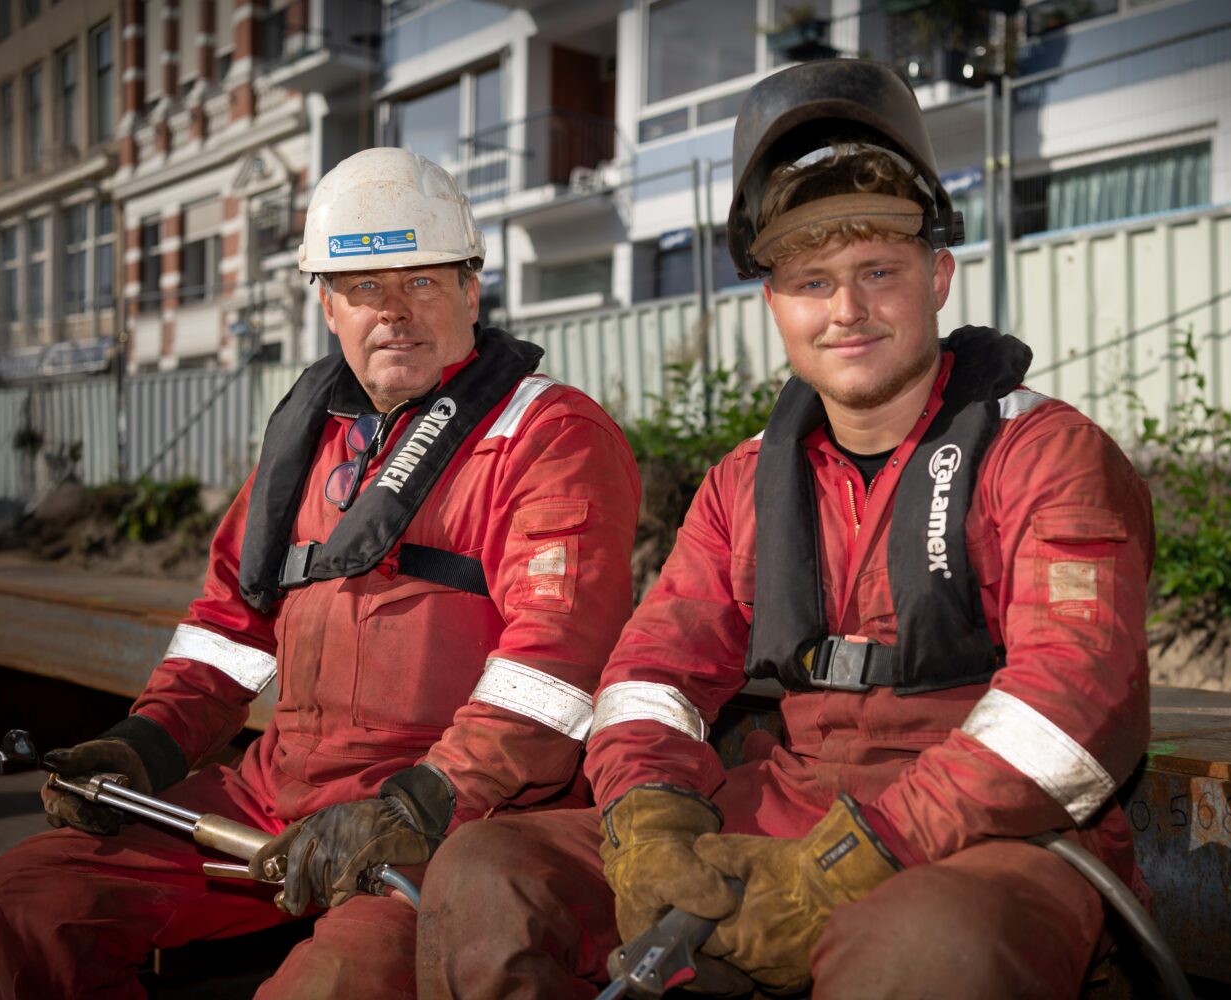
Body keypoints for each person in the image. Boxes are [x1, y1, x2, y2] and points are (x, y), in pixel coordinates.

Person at [417, 59, 1155, 999]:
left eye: (877, 272)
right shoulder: (742, 486)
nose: (846, 310)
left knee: (922, 948)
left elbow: (1075, 703)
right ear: (774, 306)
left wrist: (856, 860)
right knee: (489, 873)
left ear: (939, 276)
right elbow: (651, 675)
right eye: (810, 280)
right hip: (783, 811)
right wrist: (650, 821)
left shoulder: (1046, 457)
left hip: (992, 841)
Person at [0, 147, 641, 1000]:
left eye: (422, 282)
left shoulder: (550, 437)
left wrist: (420, 803)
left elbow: (553, 668)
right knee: (23, 904)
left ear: (472, 289)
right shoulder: (308, 444)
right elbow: (226, 630)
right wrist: (144, 744)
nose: (394, 311)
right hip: (276, 799)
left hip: (452, 819)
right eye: (364, 288)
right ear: (326, 304)